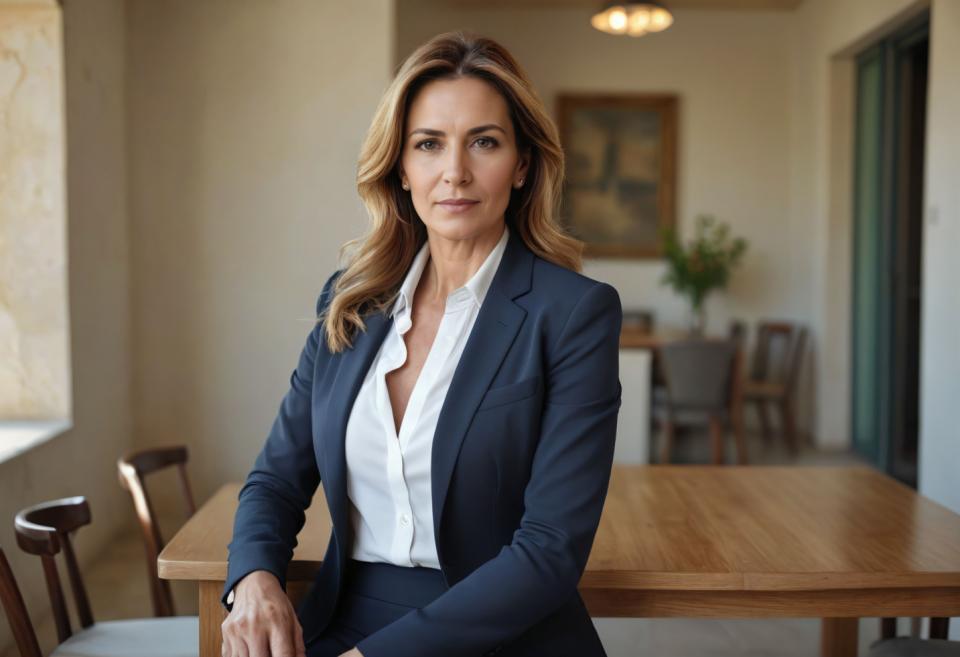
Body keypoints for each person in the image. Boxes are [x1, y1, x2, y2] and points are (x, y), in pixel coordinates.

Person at [219, 30, 623, 657]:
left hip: (503, 630)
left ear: (521, 165)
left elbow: (549, 550)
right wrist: (254, 579)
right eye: (428, 144)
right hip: (346, 615)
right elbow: (274, 480)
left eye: (483, 142)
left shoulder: (573, 314)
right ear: (401, 167)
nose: (454, 172)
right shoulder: (348, 303)